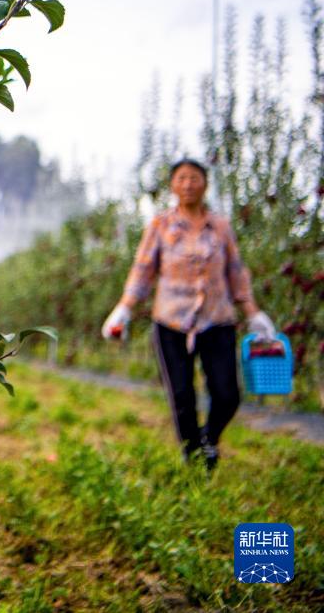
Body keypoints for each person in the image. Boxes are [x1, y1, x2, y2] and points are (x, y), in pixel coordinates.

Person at [100, 158, 276, 473]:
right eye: (182, 178)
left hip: (216, 318)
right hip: (170, 320)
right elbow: (143, 270)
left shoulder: (221, 226)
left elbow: (236, 272)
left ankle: (209, 438)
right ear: (173, 185)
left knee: (227, 393)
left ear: (205, 184)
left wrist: (253, 313)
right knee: (181, 394)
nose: (188, 184)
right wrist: (124, 309)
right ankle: (194, 461)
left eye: (194, 177)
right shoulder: (160, 225)